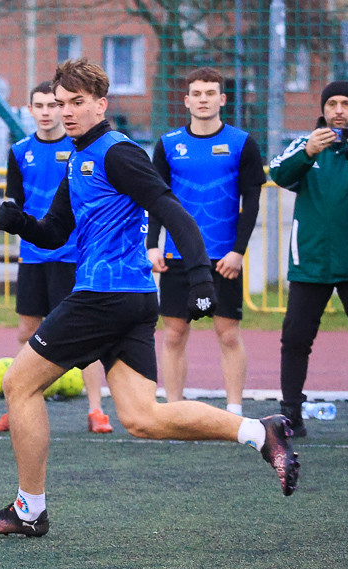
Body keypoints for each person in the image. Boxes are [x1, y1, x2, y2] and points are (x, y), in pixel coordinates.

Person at [0, 59, 300, 539]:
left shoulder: (116, 152)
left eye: (77, 103)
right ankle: (259, 431)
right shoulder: (78, 155)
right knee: (143, 418)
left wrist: (200, 280)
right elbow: (56, 230)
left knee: (19, 385)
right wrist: (20, 223)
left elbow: (172, 210)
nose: (66, 112)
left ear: (101, 104)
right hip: (129, 299)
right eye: (60, 103)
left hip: (103, 296)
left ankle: (28, 509)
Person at [0, 81, 112, 435]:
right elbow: (14, 200)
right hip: (33, 257)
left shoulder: (79, 150)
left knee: (84, 335)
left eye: (51, 105)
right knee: (27, 330)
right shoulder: (20, 150)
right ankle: (18, 407)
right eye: (38, 105)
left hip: (72, 255)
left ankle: (97, 411)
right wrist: (8, 217)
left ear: (60, 109)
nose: (45, 112)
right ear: (29, 110)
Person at [147, 67, 265, 416]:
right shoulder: (168, 145)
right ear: (186, 100)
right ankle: (175, 411)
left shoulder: (242, 143)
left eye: (210, 93)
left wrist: (238, 251)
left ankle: (234, 411)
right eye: (196, 94)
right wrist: (153, 244)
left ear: (222, 99)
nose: (203, 99)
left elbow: (252, 202)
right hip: (177, 255)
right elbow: (157, 199)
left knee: (227, 335)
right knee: (173, 335)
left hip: (223, 257)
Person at [269, 80, 348, 437]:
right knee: (295, 338)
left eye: (346, 104)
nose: (339, 109)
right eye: (332, 103)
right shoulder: (305, 145)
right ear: (323, 110)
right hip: (310, 262)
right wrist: (307, 152)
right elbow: (278, 173)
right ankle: (291, 411)